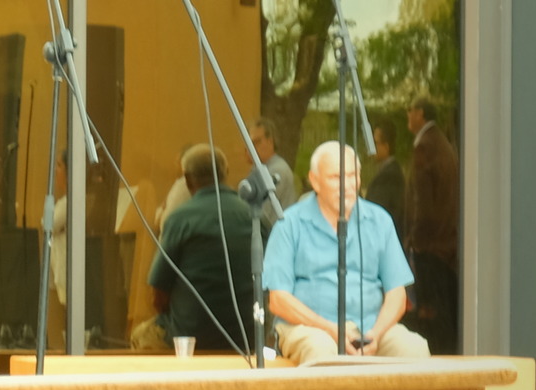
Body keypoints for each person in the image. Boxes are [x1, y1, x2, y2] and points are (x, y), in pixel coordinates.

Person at [263, 140, 428, 361]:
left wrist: (375, 335)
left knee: (414, 348)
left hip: (370, 328)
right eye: (336, 178)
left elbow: (397, 293)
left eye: (353, 176)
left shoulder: (379, 220)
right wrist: (331, 329)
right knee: (321, 352)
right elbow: (278, 300)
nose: (348, 185)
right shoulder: (290, 223)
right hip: (310, 329)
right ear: (315, 181)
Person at [146, 142, 264, 355]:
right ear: (225, 173)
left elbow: (157, 294)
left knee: (140, 336)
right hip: (248, 336)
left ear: (187, 179)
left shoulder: (179, 219)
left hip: (190, 337)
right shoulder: (256, 217)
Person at [402, 98, 459, 350]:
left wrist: (416, 241)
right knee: (443, 315)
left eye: (410, 110)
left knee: (430, 315)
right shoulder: (442, 144)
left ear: (420, 114)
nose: (407, 115)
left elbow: (423, 202)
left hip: (431, 247)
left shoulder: (425, 147)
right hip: (446, 243)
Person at [236, 118, 298, 218]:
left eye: (256, 142)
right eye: (248, 143)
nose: (250, 147)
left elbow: (261, 212)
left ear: (270, 142)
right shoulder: (259, 169)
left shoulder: (277, 171)